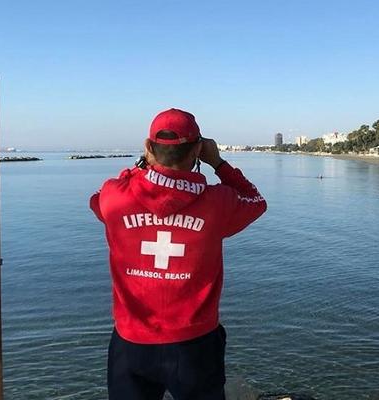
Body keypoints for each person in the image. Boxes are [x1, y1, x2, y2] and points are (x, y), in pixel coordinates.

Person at [90, 108, 267, 399]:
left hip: (131, 343)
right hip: (195, 345)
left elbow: (97, 198)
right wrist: (218, 163)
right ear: (198, 149)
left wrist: (138, 167)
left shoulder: (115, 197)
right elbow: (256, 201)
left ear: (149, 148)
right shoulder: (218, 202)